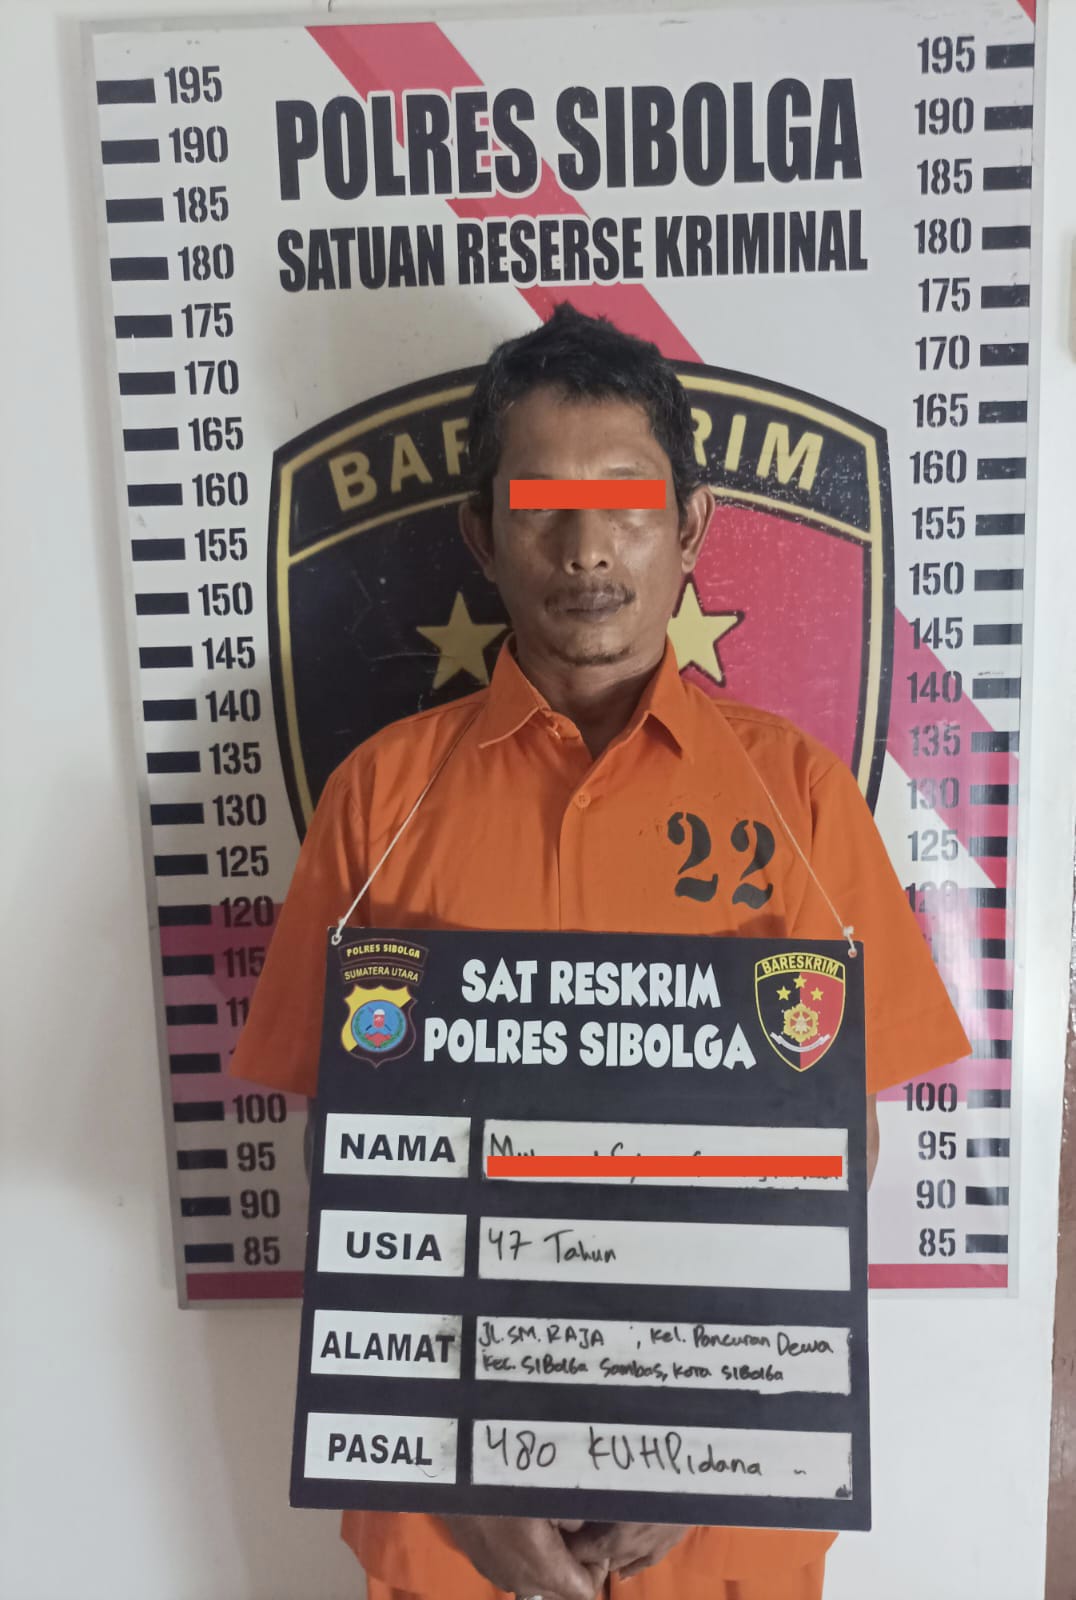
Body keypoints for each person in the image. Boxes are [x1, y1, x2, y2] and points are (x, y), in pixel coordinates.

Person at [230, 302, 971, 1600]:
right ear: (481, 533)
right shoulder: (377, 798)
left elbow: (839, 1145)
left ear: (690, 526)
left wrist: (707, 1431)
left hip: (722, 1521)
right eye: (540, 507)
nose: (585, 549)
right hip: (448, 1520)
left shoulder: (801, 800)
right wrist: (457, 1461)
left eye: (626, 502)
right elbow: (342, 1152)